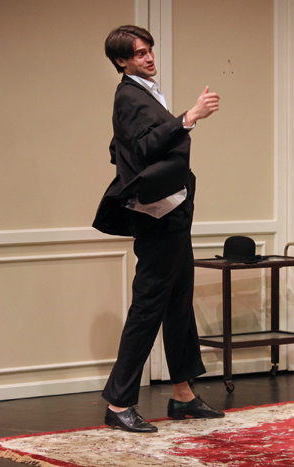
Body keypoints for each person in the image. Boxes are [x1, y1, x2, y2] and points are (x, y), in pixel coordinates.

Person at [93, 25, 224, 433]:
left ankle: (182, 394)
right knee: (149, 305)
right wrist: (188, 117)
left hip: (173, 211)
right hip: (158, 215)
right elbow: (143, 146)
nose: (149, 57)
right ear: (121, 61)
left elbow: (122, 147)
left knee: (178, 301)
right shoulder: (129, 96)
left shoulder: (144, 93)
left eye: (149, 50)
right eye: (139, 53)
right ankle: (118, 402)